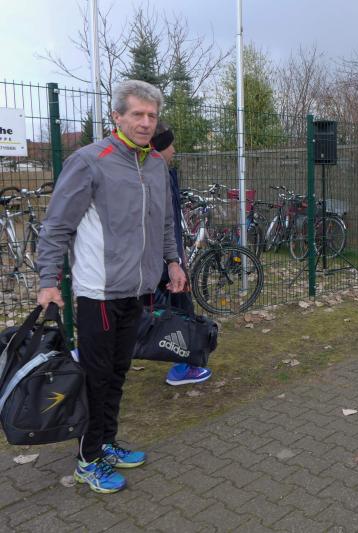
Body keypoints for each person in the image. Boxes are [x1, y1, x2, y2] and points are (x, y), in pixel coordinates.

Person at [36, 79, 187, 494]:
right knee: (96, 377)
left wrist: (173, 261)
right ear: (116, 116)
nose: (146, 123)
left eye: (152, 115)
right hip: (99, 291)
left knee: (118, 372)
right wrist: (48, 281)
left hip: (138, 289)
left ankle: (106, 443)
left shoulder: (155, 164)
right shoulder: (89, 161)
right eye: (137, 114)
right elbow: (57, 226)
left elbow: (165, 221)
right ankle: (88, 460)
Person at [149, 122, 212, 386]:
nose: (174, 150)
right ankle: (185, 366)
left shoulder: (159, 173)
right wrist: (175, 260)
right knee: (182, 310)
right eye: (169, 145)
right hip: (163, 261)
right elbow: (167, 222)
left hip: (161, 259)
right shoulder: (157, 176)